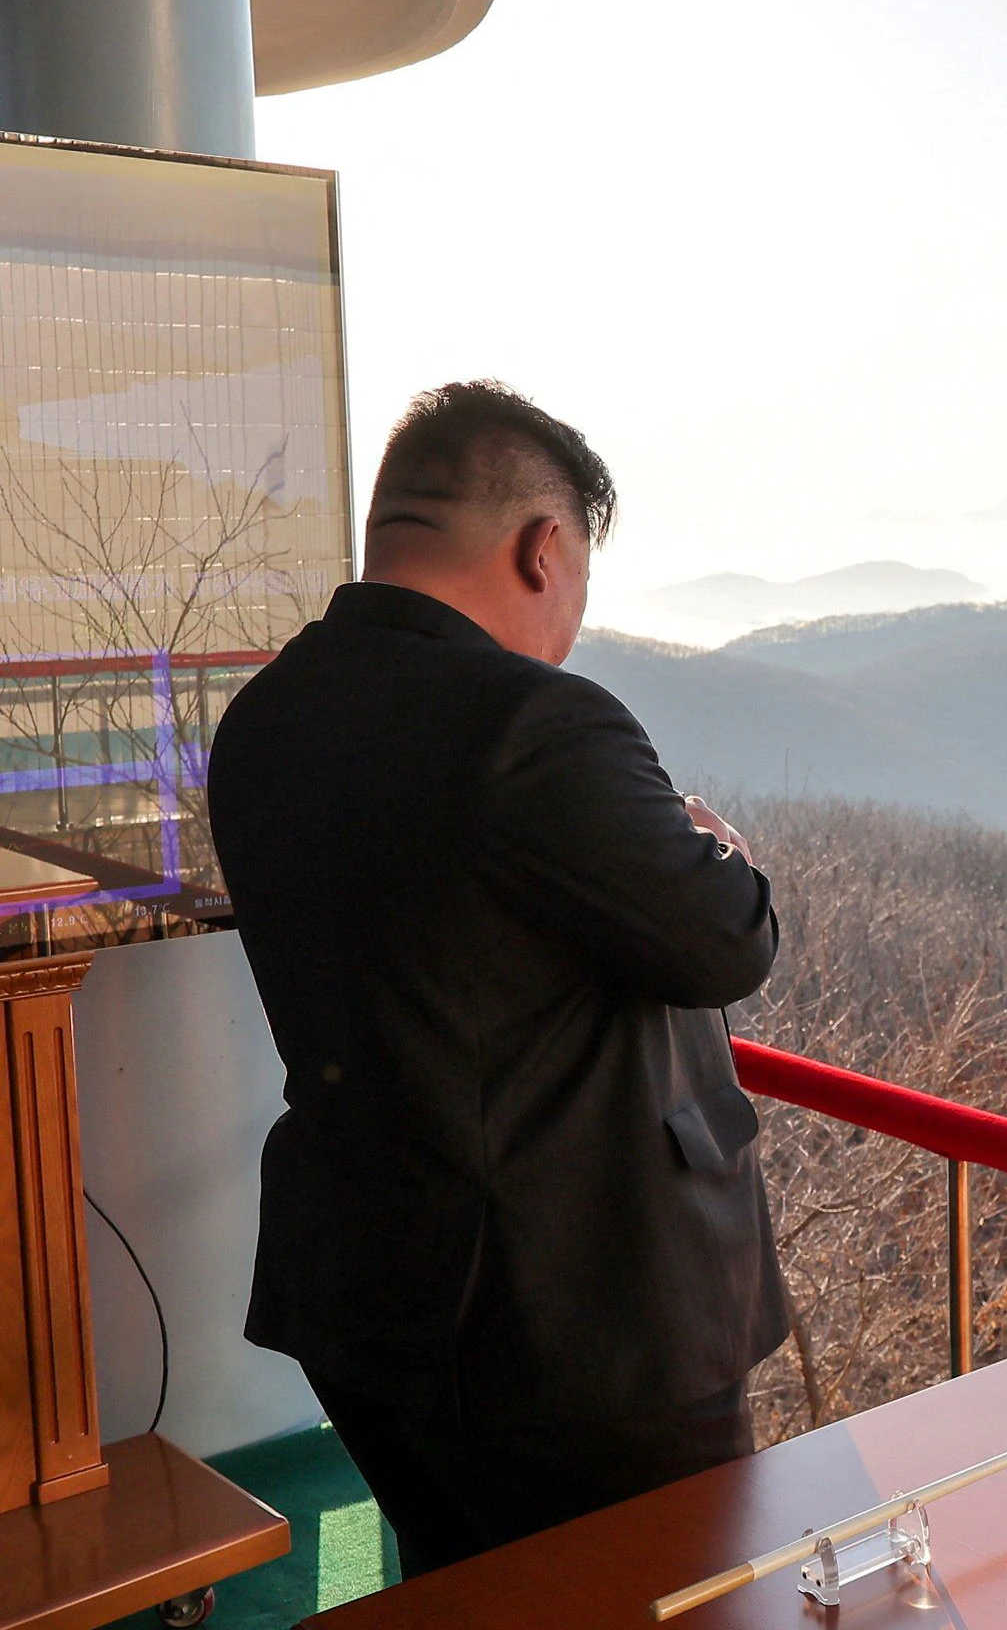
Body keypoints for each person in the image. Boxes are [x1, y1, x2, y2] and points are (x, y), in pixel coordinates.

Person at [207, 381, 788, 1574]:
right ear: (544, 547)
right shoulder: (536, 725)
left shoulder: (266, 718)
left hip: (372, 1286)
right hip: (580, 1315)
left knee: (467, 1578)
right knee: (666, 1591)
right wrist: (719, 845)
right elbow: (726, 939)